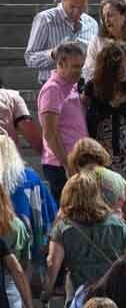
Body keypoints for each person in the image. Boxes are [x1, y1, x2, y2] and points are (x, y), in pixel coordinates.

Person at [82, 42, 126, 265]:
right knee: (107, 210)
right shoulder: (93, 88)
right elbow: (83, 121)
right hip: (104, 157)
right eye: (119, 67)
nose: (124, 71)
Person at [44, 172, 126, 296]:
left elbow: (52, 262)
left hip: (81, 295)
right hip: (113, 294)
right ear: (97, 195)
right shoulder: (118, 224)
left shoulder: (63, 228)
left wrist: (47, 292)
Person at [36, 40, 88, 201]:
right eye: (75, 67)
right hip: (60, 165)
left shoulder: (70, 85)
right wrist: (67, 164)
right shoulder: (53, 89)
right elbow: (50, 132)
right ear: (61, 63)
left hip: (76, 162)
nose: (79, 72)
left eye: (81, 67)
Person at [25, 0, 98, 86]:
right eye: (72, 6)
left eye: (82, 6)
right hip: (53, 88)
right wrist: (53, 54)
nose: (77, 11)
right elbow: (29, 58)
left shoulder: (92, 24)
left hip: (83, 89)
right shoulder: (45, 19)